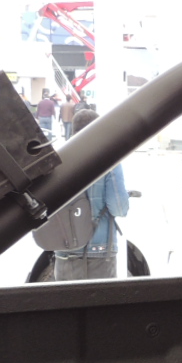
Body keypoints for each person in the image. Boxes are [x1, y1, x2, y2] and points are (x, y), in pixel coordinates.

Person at [53, 108, 130, 280]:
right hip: (100, 250)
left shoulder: (57, 161)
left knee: (66, 296)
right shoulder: (109, 160)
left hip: (65, 249)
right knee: (99, 298)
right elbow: (119, 208)